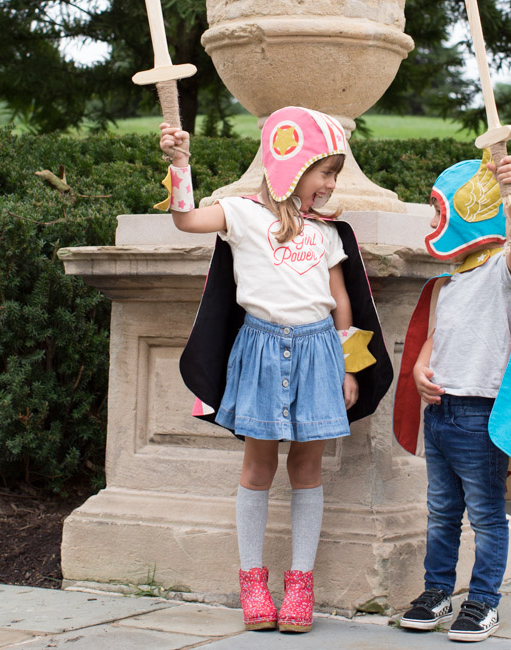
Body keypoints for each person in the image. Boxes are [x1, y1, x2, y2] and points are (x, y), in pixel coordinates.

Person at [158, 106, 393, 634]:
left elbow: (342, 306)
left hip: (319, 356)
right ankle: (252, 581)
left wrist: (350, 370)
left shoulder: (329, 235)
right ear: (292, 164)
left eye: (335, 174)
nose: (331, 185)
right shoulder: (240, 213)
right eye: (325, 172)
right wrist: (179, 164)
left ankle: (300, 585)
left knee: (307, 470)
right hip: (260, 353)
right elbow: (186, 219)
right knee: (258, 468)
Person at [393, 150, 511, 642]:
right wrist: (423, 369)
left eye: (439, 210)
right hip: (441, 415)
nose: (431, 221)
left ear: (467, 211)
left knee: (486, 516)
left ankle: (484, 602)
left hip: (480, 416)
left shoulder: (501, 274)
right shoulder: (449, 283)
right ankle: (437, 592)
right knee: (442, 512)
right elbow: (434, 340)